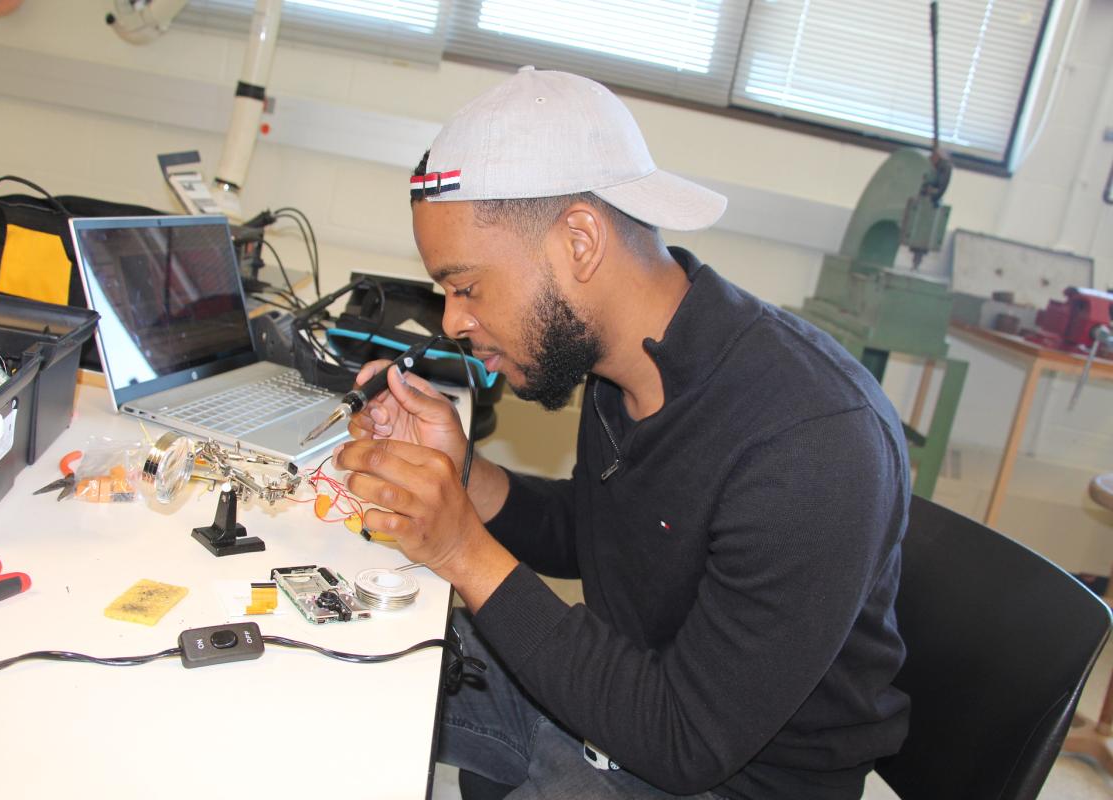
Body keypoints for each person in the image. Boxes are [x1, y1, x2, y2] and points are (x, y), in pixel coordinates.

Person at [333, 66, 910, 799]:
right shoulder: (622, 364)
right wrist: (462, 477)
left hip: (718, 774)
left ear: (579, 241)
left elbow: (685, 741)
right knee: (349, 647)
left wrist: (460, 549)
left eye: (466, 286)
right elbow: (601, 535)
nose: (451, 322)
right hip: (619, 703)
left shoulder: (813, 442)